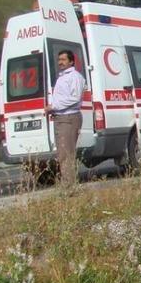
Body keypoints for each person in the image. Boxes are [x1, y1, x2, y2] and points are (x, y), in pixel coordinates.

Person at [45, 50, 86, 187]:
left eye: (63, 59)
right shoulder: (62, 77)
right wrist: (54, 109)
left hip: (69, 118)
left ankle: (69, 186)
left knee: (66, 153)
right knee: (62, 153)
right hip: (61, 117)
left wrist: (54, 106)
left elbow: (75, 98)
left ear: (71, 61)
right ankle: (67, 184)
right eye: (59, 59)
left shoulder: (74, 77)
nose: (60, 62)